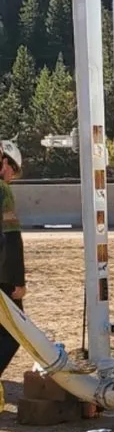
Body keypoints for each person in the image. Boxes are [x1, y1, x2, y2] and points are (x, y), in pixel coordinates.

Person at [0, 140, 25, 381]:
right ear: (5, 162)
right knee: (13, 332)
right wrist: (17, 280)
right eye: (13, 170)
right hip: (3, 277)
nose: (12, 176)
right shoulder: (3, 191)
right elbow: (11, 237)